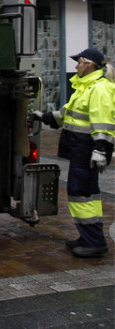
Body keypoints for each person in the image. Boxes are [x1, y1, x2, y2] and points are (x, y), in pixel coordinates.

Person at [33, 48, 115, 258]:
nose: (76, 66)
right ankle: (89, 237)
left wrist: (100, 151)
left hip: (88, 151)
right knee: (88, 194)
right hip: (81, 151)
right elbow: (66, 114)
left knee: (81, 194)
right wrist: (43, 116)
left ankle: (93, 242)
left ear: (90, 65)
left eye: (79, 62)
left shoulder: (99, 89)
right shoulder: (85, 87)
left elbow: (104, 123)